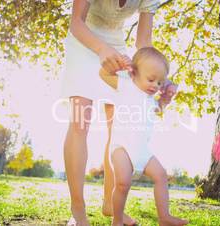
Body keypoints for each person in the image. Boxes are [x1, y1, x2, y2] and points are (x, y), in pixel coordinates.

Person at [60, 1, 176, 225]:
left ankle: (110, 205)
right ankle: (78, 209)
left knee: (118, 129)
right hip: (84, 40)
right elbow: (76, 22)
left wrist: (159, 78)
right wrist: (101, 49)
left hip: (116, 47)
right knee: (79, 123)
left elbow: (143, 44)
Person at [99, 47, 189, 226]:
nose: (155, 86)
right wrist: (116, 66)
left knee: (161, 176)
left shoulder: (150, 100)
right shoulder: (125, 86)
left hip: (142, 151)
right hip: (121, 148)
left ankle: (164, 217)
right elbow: (103, 74)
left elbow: (158, 110)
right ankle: (117, 221)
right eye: (151, 79)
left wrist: (164, 100)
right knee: (123, 183)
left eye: (159, 83)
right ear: (133, 72)